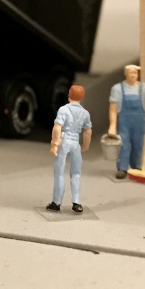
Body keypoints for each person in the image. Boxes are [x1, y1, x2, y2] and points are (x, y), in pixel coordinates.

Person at [47, 84, 92, 213]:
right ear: (82, 97)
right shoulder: (85, 113)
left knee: (59, 172)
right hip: (75, 142)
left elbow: (57, 128)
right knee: (76, 173)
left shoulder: (64, 109)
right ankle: (76, 202)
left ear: (69, 95)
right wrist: (85, 145)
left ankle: (56, 202)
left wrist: (55, 144)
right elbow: (88, 131)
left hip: (64, 141)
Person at [108, 64, 145, 179]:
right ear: (126, 74)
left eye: (135, 73)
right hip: (124, 122)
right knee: (123, 144)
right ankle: (122, 168)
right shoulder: (117, 89)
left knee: (138, 144)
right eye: (131, 73)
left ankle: (136, 167)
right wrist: (112, 126)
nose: (133, 75)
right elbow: (113, 109)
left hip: (139, 122)